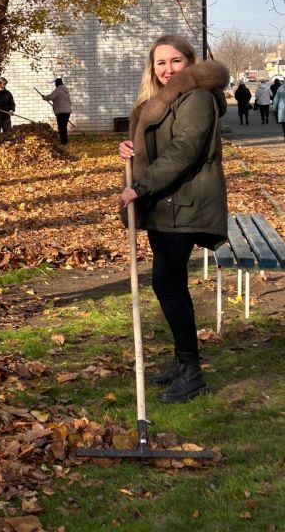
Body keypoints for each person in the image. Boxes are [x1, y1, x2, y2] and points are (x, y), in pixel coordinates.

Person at [119, 35, 228, 403]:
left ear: (190, 61)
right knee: (171, 285)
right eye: (160, 63)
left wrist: (142, 185)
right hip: (167, 203)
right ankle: (184, 363)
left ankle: (192, 371)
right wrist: (130, 149)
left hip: (184, 201)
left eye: (175, 61)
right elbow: (160, 145)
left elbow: (184, 151)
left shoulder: (196, 96)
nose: (167, 69)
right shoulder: (162, 101)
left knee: (167, 285)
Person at [42, 77, 72, 144]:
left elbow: (51, 97)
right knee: (64, 127)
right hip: (67, 111)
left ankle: (63, 142)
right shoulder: (66, 90)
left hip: (61, 112)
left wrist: (44, 97)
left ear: (57, 83)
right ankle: (65, 141)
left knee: (61, 127)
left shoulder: (58, 90)